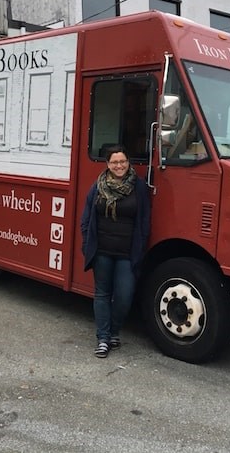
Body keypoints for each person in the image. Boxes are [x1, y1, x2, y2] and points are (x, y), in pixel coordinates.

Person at [80, 145, 151, 358]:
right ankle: (103, 338)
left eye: (122, 162)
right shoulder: (98, 186)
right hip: (101, 249)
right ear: (107, 164)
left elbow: (145, 220)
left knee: (124, 295)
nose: (118, 166)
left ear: (128, 163)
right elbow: (86, 219)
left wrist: (141, 243)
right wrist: (86, 243)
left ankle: (114, 330)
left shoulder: (138, 187)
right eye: (114, 162)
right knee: (102, 293)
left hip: (127, 253)